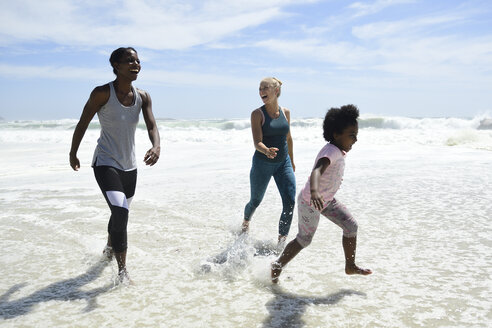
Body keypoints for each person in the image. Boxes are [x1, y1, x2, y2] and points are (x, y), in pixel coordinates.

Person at [69, 47, 160, 283]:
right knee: (120, 211)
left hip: (130, 166)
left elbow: (151, 125)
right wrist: (73, 152)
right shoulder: (102, 93)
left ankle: (110, 246)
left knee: (120, 213)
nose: (136, 64)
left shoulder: (143, 96)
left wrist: (156, 146)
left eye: (138, 61)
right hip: (105, 162)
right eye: (129, 60)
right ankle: (122, 271)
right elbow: (83, 122)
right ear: (116, 65)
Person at [271, 104, 372, 283]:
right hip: (311, 201)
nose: (355, 140)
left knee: (351, 226)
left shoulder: (337, 150)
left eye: (356, 135)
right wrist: (315, 191)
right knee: (304, 239)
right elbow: (317, 171)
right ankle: (277, 266)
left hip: (326, 201)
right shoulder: (331, 151)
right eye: (351, 135)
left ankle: (350, 265)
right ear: (336, 135)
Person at [241, 77, 296, 250]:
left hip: (283, 163)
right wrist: (266, 150)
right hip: (262, 163)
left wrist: (292, 161)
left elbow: (288, 138)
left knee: (290, 201)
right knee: (255, 201)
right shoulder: (257, 114)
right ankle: (245, 223)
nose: (261, 91)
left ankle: (281, 245)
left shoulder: (286, 112)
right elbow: (257, 142)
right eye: (260, 88)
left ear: (276, 91)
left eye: (265, 88)